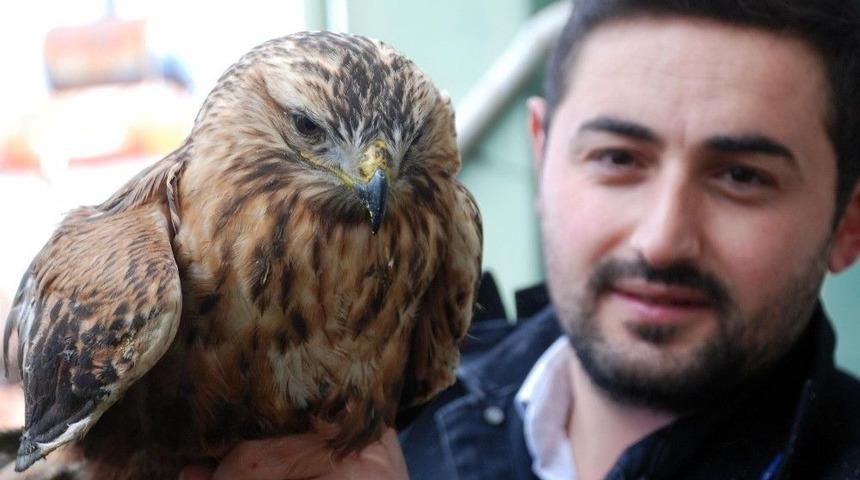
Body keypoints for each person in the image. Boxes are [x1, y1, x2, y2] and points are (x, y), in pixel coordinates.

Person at [182, 0, 860, 478]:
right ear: (542, 156)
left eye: (742, 177)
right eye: (618, 159)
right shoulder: (391, 404)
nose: (661, 241)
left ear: (848, 223)